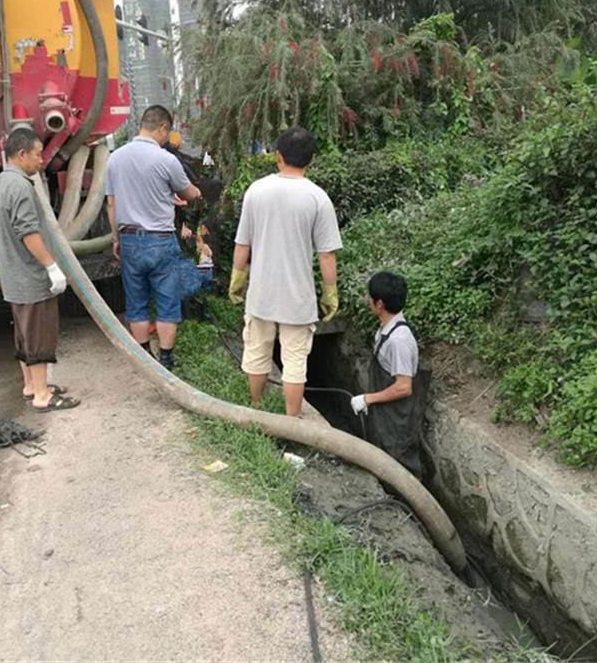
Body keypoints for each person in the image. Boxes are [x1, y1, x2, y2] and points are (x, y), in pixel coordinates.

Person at [228, 126, 342, 417]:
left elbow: (243, 244)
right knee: (294, 361)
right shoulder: (318, 198)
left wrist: (237, 279)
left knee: (256, 353)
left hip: (262, 292)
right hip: (298, 296)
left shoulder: (257, 191)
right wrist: (330, 293)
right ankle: (292, 420)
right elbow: (326, 254)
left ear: (277, 156)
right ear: (312, 159)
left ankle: (256, 409)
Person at [0, 127, 80, 412]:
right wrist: (51, 267)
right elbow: (28, 233)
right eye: (38, 154)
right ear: (21, 154)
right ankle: (42, 395)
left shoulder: (1, 182)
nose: (42, 160)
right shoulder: (19, 187)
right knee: (39, 335)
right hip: (31, 277)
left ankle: (31, 385)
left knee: (24, 335)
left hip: (14, 277)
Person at [105, 105, 201, 370]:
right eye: (166, 133)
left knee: (135, 303)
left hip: (129, 240)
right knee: (167, 301)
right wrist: (188, 194)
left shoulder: (115, 158)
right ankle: (167, 359)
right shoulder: (166, 160)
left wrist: (116, 239)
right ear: (161, 128)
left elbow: (111, 205)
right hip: (160, 240)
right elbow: (190, 193)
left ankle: (146, 359)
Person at [349, 271, 425, 477]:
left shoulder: (398, 340)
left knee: (401, 467)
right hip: (385, 414)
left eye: (369, 297)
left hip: (398, 419)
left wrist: (367, 399)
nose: (367, 300)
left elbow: (403, 387)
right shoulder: (386, 330)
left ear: (379, 304)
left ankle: (407, 507)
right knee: (384, 461)